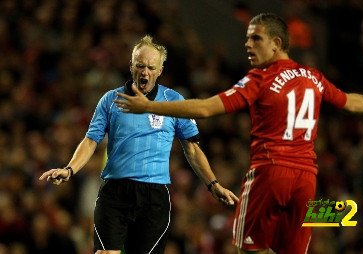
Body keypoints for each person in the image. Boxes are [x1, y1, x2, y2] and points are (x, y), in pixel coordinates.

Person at [114, 13, 363, 254]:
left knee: (247, 249)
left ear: (276, 43)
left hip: (270, 173)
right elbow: (349, 102)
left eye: (255, 38)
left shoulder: (261, 78)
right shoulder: (313, 77)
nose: (247, 44)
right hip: (306, 179)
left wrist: (151, 106)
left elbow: (207, 108)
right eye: (247, 38)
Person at [39, 35, 239, 254]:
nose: (145, 72)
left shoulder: (173, 101)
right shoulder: (110, 99)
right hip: (114, 192)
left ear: (160, 70)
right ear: (131, 66)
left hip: (153, 198)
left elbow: (192, 148)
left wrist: (213, 184)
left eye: (151, 67)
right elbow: (90, 141)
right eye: (140, 65)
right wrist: (70, 169)